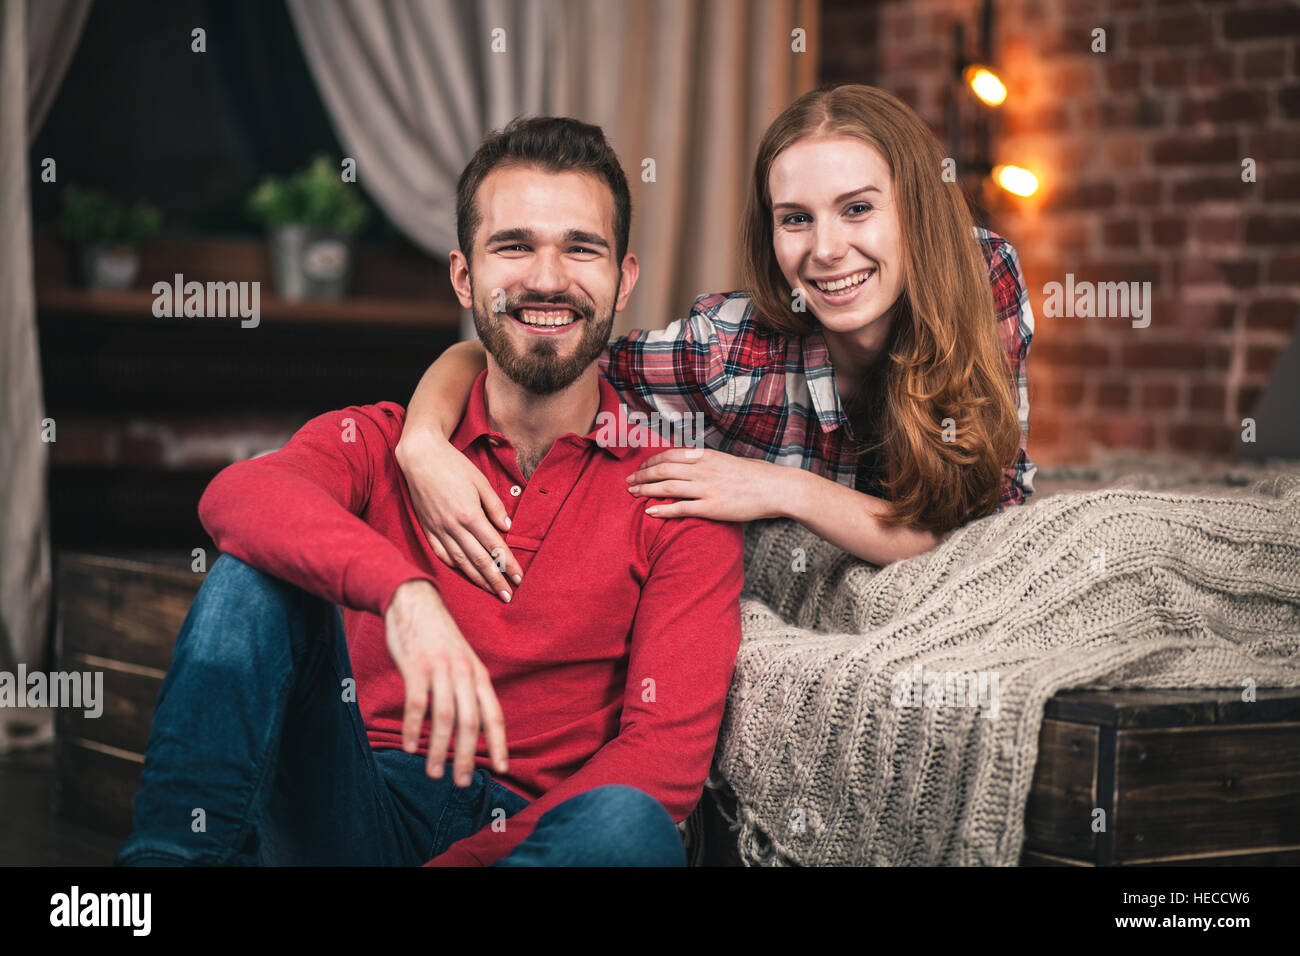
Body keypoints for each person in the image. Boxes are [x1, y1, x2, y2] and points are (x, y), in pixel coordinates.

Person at [114, 116, 744, 867]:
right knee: (254, 571)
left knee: (630, 829)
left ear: (623, 278)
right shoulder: (382, 441)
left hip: (537, 840)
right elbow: (236, 498)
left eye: (581, 248)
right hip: (352, 808)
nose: (547, 278)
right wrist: (405, 595)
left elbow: (663, 761)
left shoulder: (678, 491)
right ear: (463, 276)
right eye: (513, 246)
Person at [395, 84, 1036, 605]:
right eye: (795, 219)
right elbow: (536, 343)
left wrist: (782, 488)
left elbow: (978, 537)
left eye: (858, 208)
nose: (827, 248)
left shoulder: (983, 281)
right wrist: (420, 441)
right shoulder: (727, 351)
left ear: (916, 209)